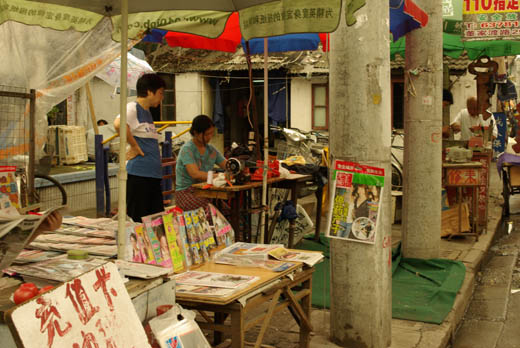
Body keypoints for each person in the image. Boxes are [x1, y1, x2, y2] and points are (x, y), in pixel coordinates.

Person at [114, 73, 165, 222]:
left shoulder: (148, 113)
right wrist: (134, 146)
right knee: (139, 222)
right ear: (150, 91)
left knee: (156, 221)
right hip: (139, 176)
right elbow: (118, 124)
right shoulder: (132, 107)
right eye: (160, 93)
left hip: (152, 176)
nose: (162, 97)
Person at [175, 115, 227, 211]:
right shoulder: (187, 150)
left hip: (205, 191)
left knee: (226, 210)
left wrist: (236, 166)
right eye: (207, 134)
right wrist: (220, 176)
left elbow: (226, 165)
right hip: (187, 192)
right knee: (211, 211)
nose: (210, 137)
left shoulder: (211, 150)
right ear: (195, 133)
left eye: (211, 133)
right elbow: (195, 174)